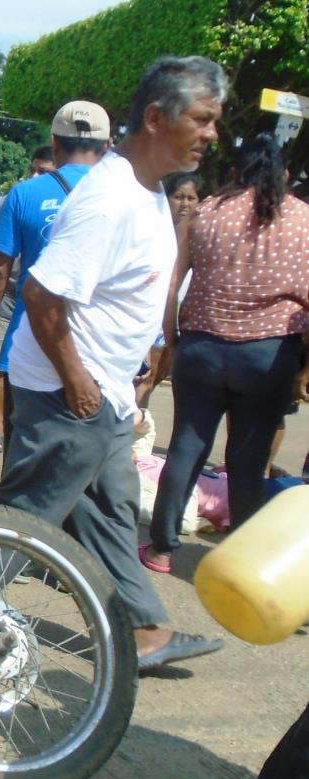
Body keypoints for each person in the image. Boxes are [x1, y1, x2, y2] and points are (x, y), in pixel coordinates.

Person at [0, 56, 229, 672]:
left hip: (108, 395)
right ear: (155, 117)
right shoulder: (111, 198)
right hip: (73, 396)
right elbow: (41, 293)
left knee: (112, 509)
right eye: (202, 119)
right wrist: (79, 380)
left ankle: (145, 630)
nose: (213, 135)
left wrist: (131, 371)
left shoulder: (148, 194)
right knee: (25, 517)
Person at [141, 134, 309, 574]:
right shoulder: (302, 219)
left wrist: (172, 336)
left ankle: (160, 548)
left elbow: (172, 280)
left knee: (186, 448)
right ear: (284, 173)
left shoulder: (208, 211)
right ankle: (244, 561)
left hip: (203, 348)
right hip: (268, 355)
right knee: (248, 462)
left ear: (237, 171)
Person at [0, 103, 112, 454]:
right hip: (102, 353)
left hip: (30, 347)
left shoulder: (25, 194)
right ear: (107, 147)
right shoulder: (129, 197)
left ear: (55, 143)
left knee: (23, 459)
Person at [134, 170, 203, 410]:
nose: (184, 204)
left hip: (174, 317)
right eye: (178, 197)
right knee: (144, 377)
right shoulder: (151, 228)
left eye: (191, 198)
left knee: (156, 377)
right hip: (147, 312)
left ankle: (138, 424)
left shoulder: (200, 237)